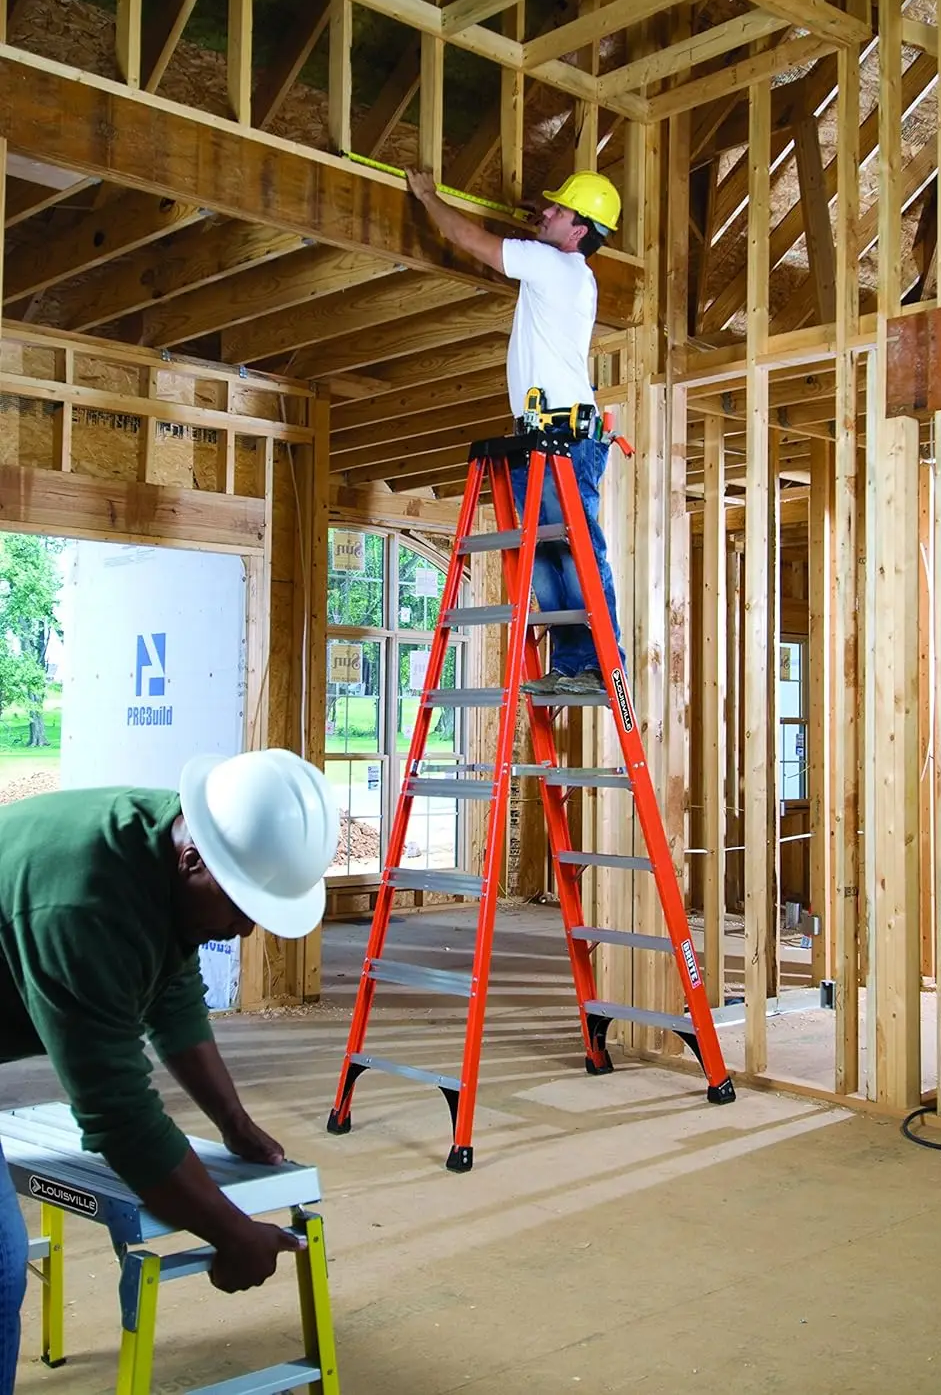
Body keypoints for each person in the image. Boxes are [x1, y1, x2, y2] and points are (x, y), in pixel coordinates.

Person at [0, 747, 338, 1391]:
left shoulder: (172, 835)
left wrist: (233, 1123)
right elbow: (119, 1117)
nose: (244, 929)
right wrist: (232, 1234)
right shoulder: (86, 905)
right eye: (241, 905)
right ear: (193, 863)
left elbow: (174, 997)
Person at [407, 167, 626, 698]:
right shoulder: (560, 266)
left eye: (558, 210)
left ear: (578, 233)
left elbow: (466, 238)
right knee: (549, 561)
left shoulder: (556, 266)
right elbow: (540, 232)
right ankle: (575, 664)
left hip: (564, 438)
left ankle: (601, 662)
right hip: (539, 437)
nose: (545, 212)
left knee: (574, 551)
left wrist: (428, 196)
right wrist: (541, 223)